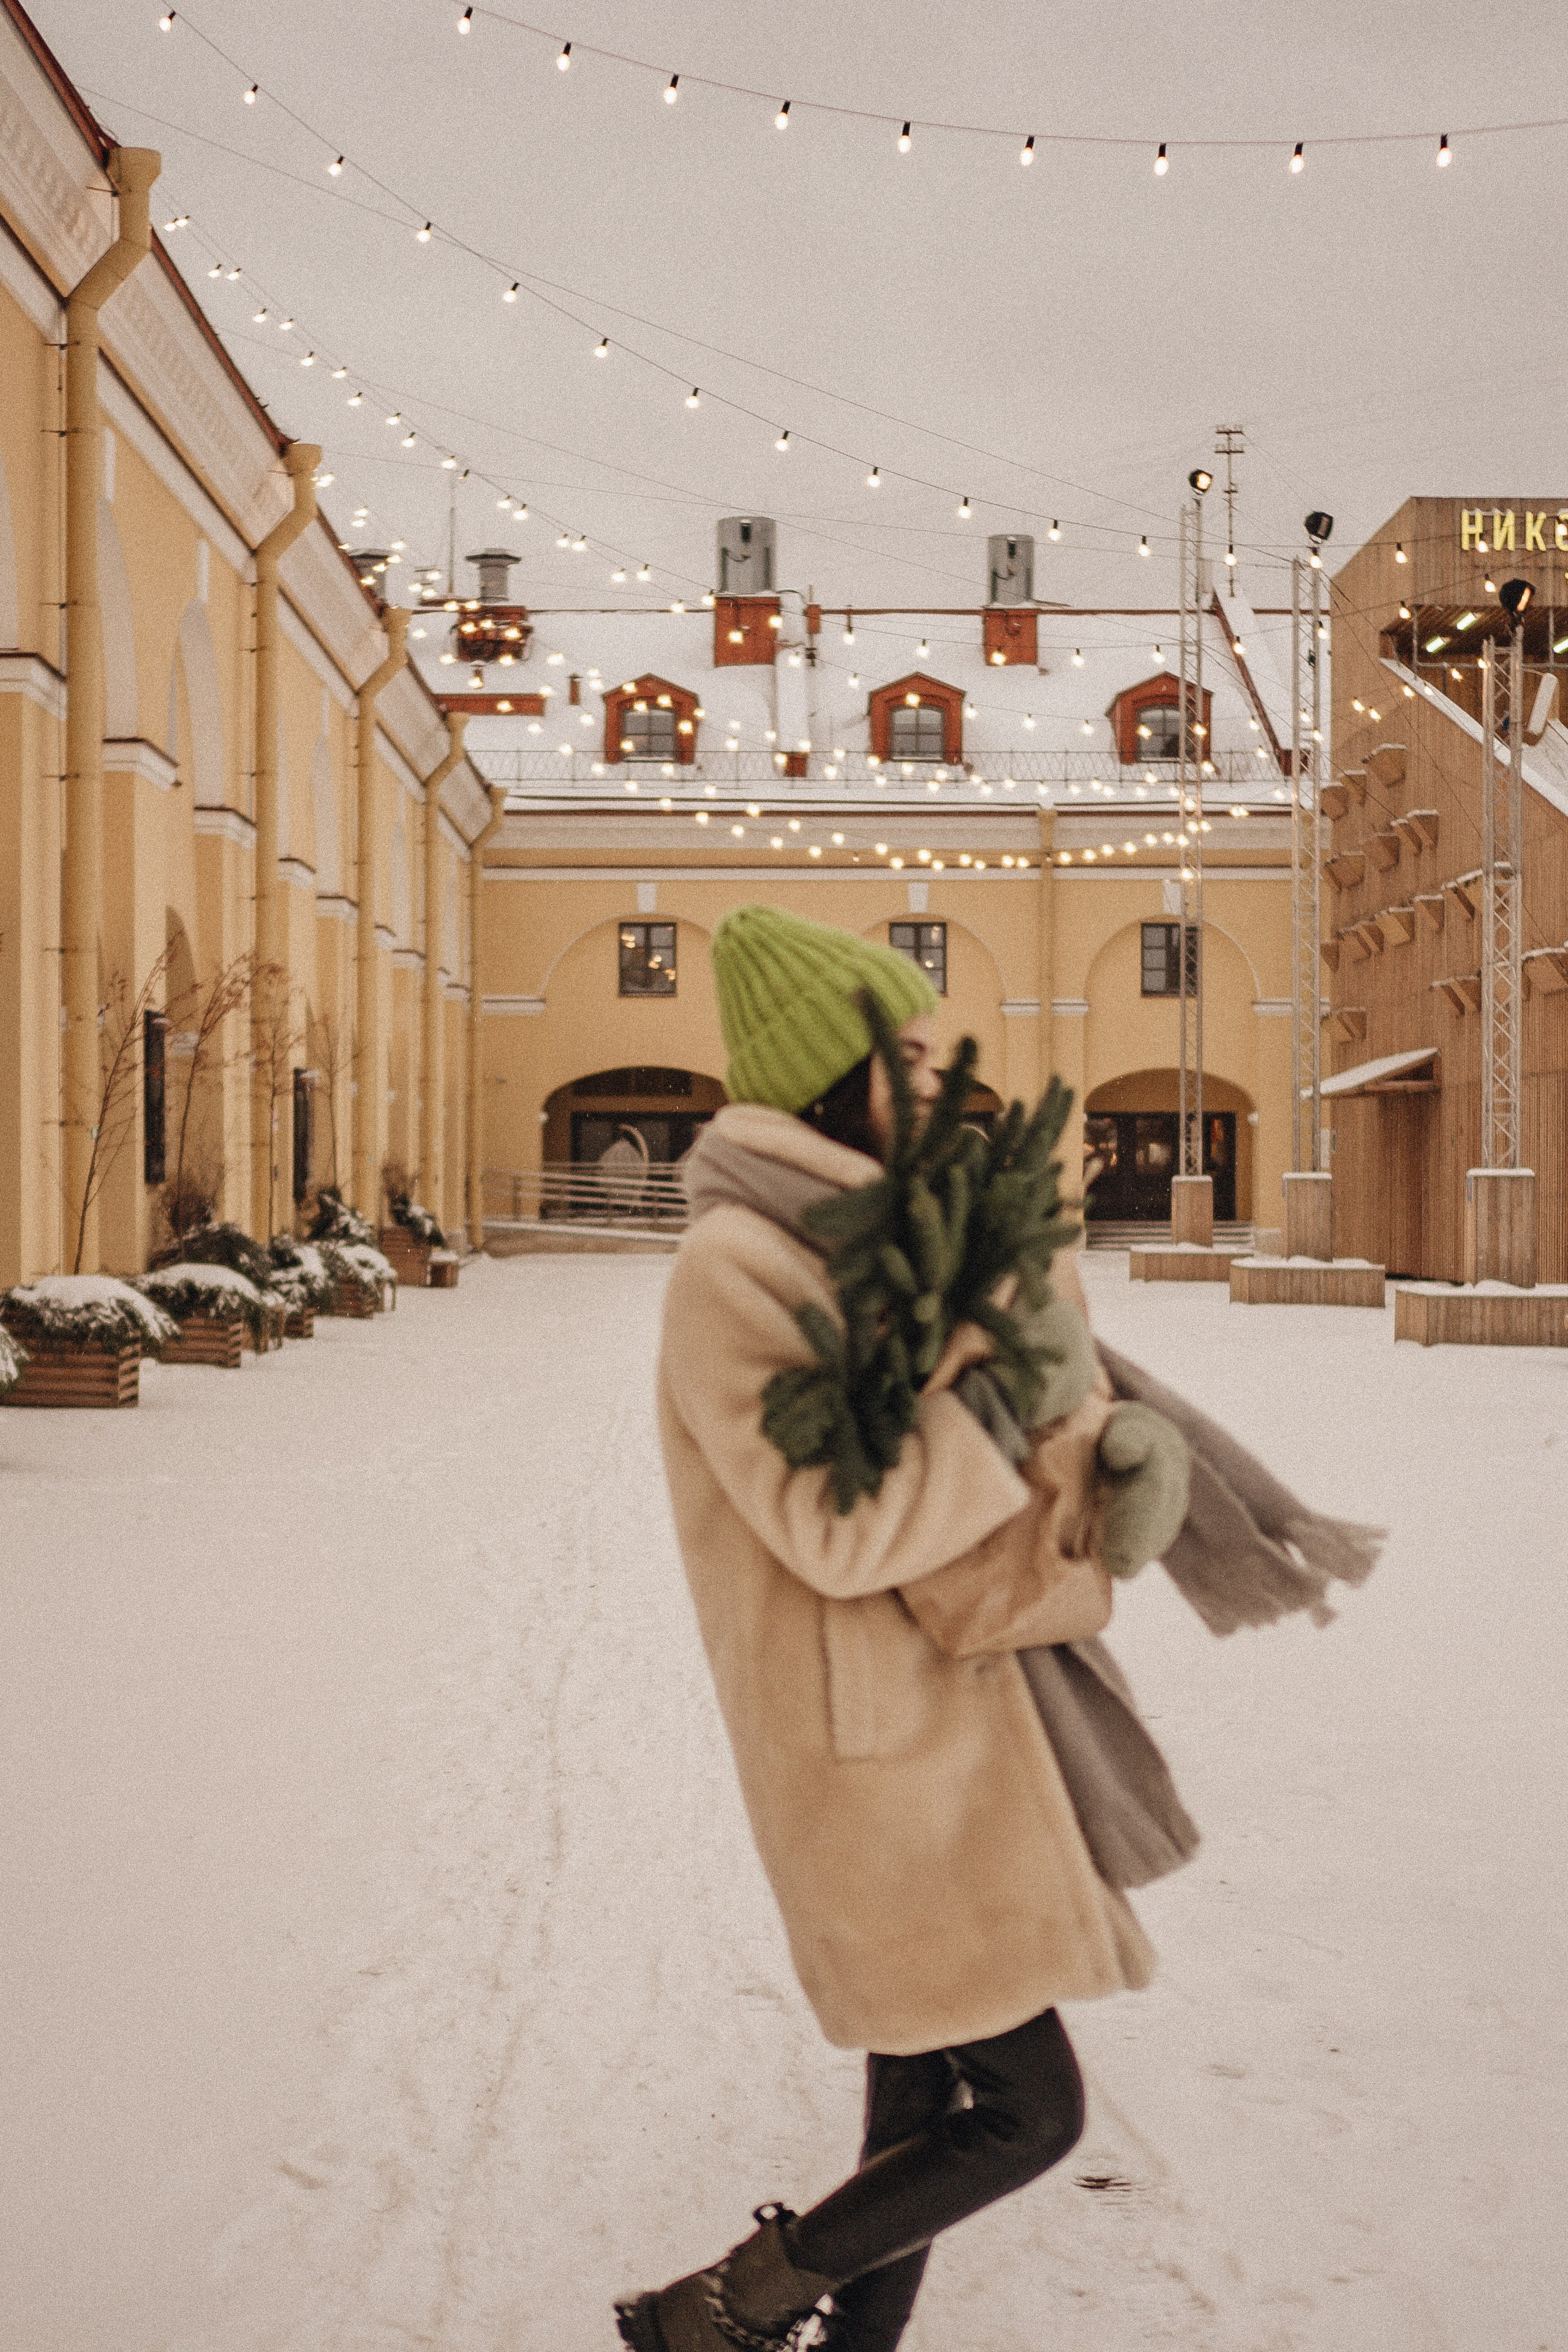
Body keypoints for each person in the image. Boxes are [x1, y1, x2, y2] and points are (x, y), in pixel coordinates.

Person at [617, 906, 1190, 2352]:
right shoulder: (736, 1273)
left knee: (919, 2108)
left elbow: (987, 1462)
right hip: (872, 1766)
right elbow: (836, 1522)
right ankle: (723, 2309)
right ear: (836, 1075)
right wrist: (997, 1366)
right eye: (909, 1050)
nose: (939, 1075)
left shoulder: (898, 1245)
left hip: (955, 1729)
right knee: (1028, 2113)